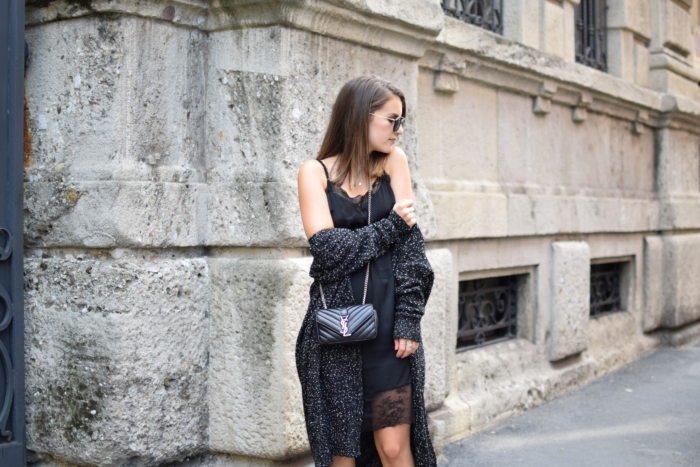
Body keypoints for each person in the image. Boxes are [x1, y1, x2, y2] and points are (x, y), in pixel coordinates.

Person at [295, 76, 437, 467]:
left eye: (402, 121)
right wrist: (390, 226)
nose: (399, 130)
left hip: (391, 335)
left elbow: (412, 254)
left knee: (394, 449)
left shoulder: (395, 163)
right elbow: (326, 251)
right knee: (344, 456)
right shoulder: (315, 173)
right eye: (393, 120)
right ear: (362, 116)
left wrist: (409, 320)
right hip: (338, 333)